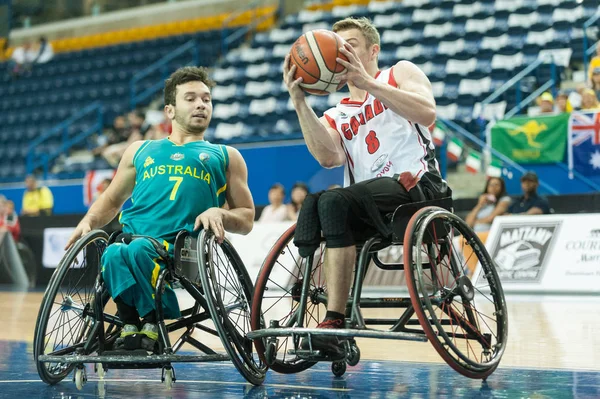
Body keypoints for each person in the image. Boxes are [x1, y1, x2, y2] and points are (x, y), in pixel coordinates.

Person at [283, 17, 449, 357]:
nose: (341, 51)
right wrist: (300, 102)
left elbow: (427, 112)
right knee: (316, 202)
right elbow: (327, 158)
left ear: (373, 50)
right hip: (365, 203)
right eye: (336, 44)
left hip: (416, 188)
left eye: (351, 45)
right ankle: (321, 308)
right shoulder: (336, 113)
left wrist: (368, 83)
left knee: (333, 200)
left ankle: (334, 319)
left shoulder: (398, 73)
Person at [65, 66, 255, 351]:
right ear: (170, 110)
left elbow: (247, 217)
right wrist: (89, 221)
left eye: (206, 99)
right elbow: (113, 199)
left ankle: (154, 320)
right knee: (115, 251)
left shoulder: (226, 156)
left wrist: (221, 213)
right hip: (133, 241)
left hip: (182, 251)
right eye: (190, 98)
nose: (201, 104)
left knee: (138, 250)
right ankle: (130, 323)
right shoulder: (140, 150)